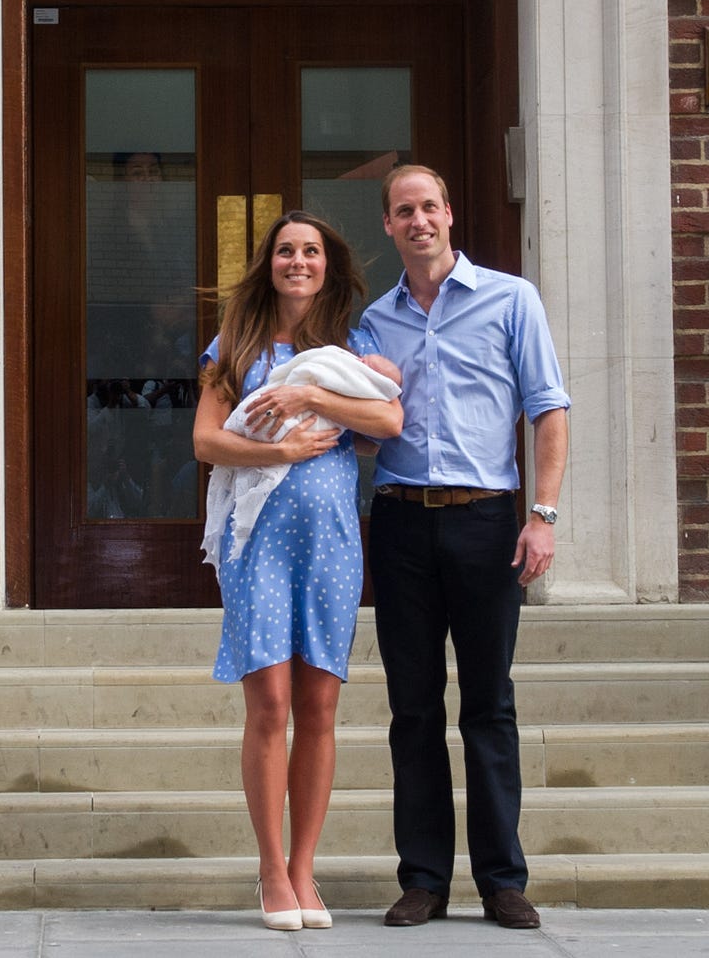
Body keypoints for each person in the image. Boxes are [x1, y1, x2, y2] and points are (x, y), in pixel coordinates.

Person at [359, 166, 570, 931]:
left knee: (488, 704)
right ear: (387, 224)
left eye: (429, 207)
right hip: (402, 523)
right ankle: (423, 880)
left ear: (449, 214)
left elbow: (548, 411)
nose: (418, 221)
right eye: (402, 211)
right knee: (412, 708)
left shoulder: (511, 299)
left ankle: (501, 881)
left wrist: (541, 514)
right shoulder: (372, 321)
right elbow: (360, 420)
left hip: (486, 521)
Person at [193, 212, 403, 932]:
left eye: (311, 251)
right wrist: (279, 454)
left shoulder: (355, 343)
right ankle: (270, 869)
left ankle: (306, 869)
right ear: (268, 263)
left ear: (328, 263)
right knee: (271, 707)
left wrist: (311, 396)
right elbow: (205, 441)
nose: (299, 261)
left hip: (332, 543)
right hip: (257, 545)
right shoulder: (238, 344)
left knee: (318, 707)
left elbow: (389, 420)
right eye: (286, 251)